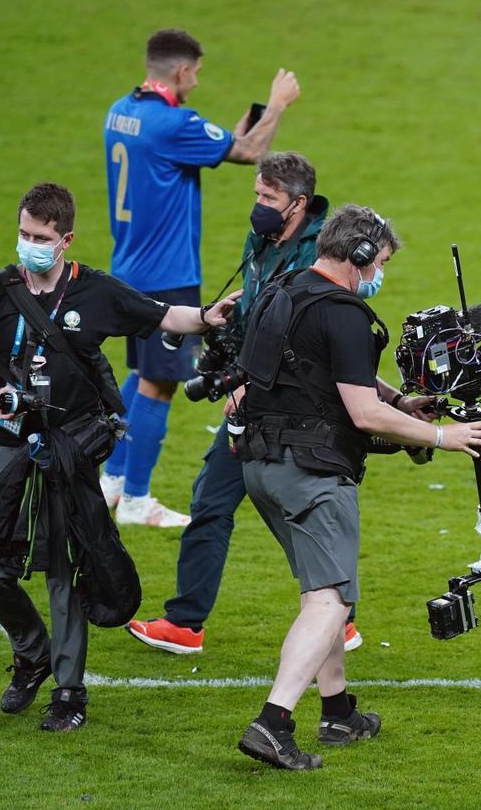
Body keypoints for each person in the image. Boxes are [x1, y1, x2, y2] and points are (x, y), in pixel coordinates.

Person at [0, 183, 239, 731]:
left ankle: (69, 693)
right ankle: (31, 651)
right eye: (24, 234)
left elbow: (161, 315)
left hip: (70, 452)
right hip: (9, 445)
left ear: (66, 240)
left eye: (42, 237)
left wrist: (208, 314)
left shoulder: (96, 292)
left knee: (62, 570)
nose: (30, 245)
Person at [233, 205, 481, 770]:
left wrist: (400, 403)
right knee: (330, 601)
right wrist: (440, 435)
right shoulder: (347, 314)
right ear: (362, 255)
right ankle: (273, 723)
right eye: (383, 261)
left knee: (318, 593)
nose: (381, 273)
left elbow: (317, 367)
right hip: (312, 472)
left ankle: (338, 712)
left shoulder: (284, 290)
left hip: (260, 465)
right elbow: (362, 414)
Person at [125, 152, 362, 655]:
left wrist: (245, 385)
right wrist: (224, 321)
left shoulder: (319, 254)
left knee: (296, 511)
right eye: (257, 194)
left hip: (290, 406)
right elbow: (260, 313)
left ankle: (336, 616)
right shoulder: (262, 239)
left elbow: (297, 333)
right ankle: (186, 623)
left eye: (268, 198)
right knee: (212, 503)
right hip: (253, 395)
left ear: (298, 203)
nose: (258, 205)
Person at [100, 27, 301, 526]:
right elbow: (251, 153)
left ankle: (112, 479)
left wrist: (243, 130)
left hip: (128, 265)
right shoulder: (173, 124)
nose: (196, 83)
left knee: (143, 371)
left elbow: (226, 145)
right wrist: (277, 106)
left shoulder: (121, 112)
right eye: (197, 74)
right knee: (161, 383)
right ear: (183, 70)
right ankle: (137, 500)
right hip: (166, 273)